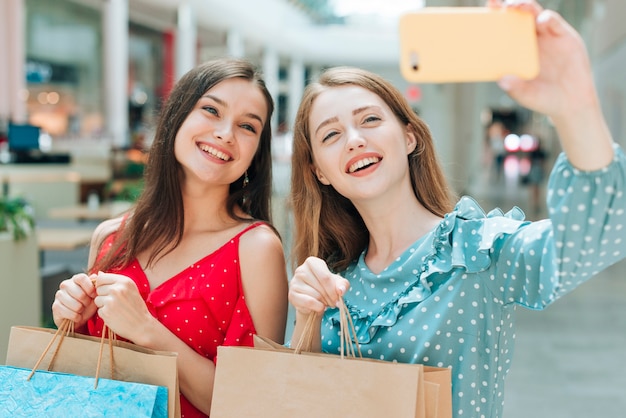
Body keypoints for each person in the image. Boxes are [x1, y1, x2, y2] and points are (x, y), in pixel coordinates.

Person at [287, 1, 626, 417]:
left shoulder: (477, 251)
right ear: (319, 171)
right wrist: (306, 316)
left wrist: (574, 104)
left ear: (409, 136)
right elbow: (300, 398)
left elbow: (593, 240)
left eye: (370, 120)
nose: (354, 139)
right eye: (331, 134)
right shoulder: (333, 283)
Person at [52, 58, 289, 417]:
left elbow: (253, 404)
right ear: (177, 116)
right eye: (211, 110)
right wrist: (72, 319)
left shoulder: (256, 248)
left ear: (256, 153)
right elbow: (89, 382)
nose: (226, 133)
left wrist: (148, 330)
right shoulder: (112, 237)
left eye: (247, 126)